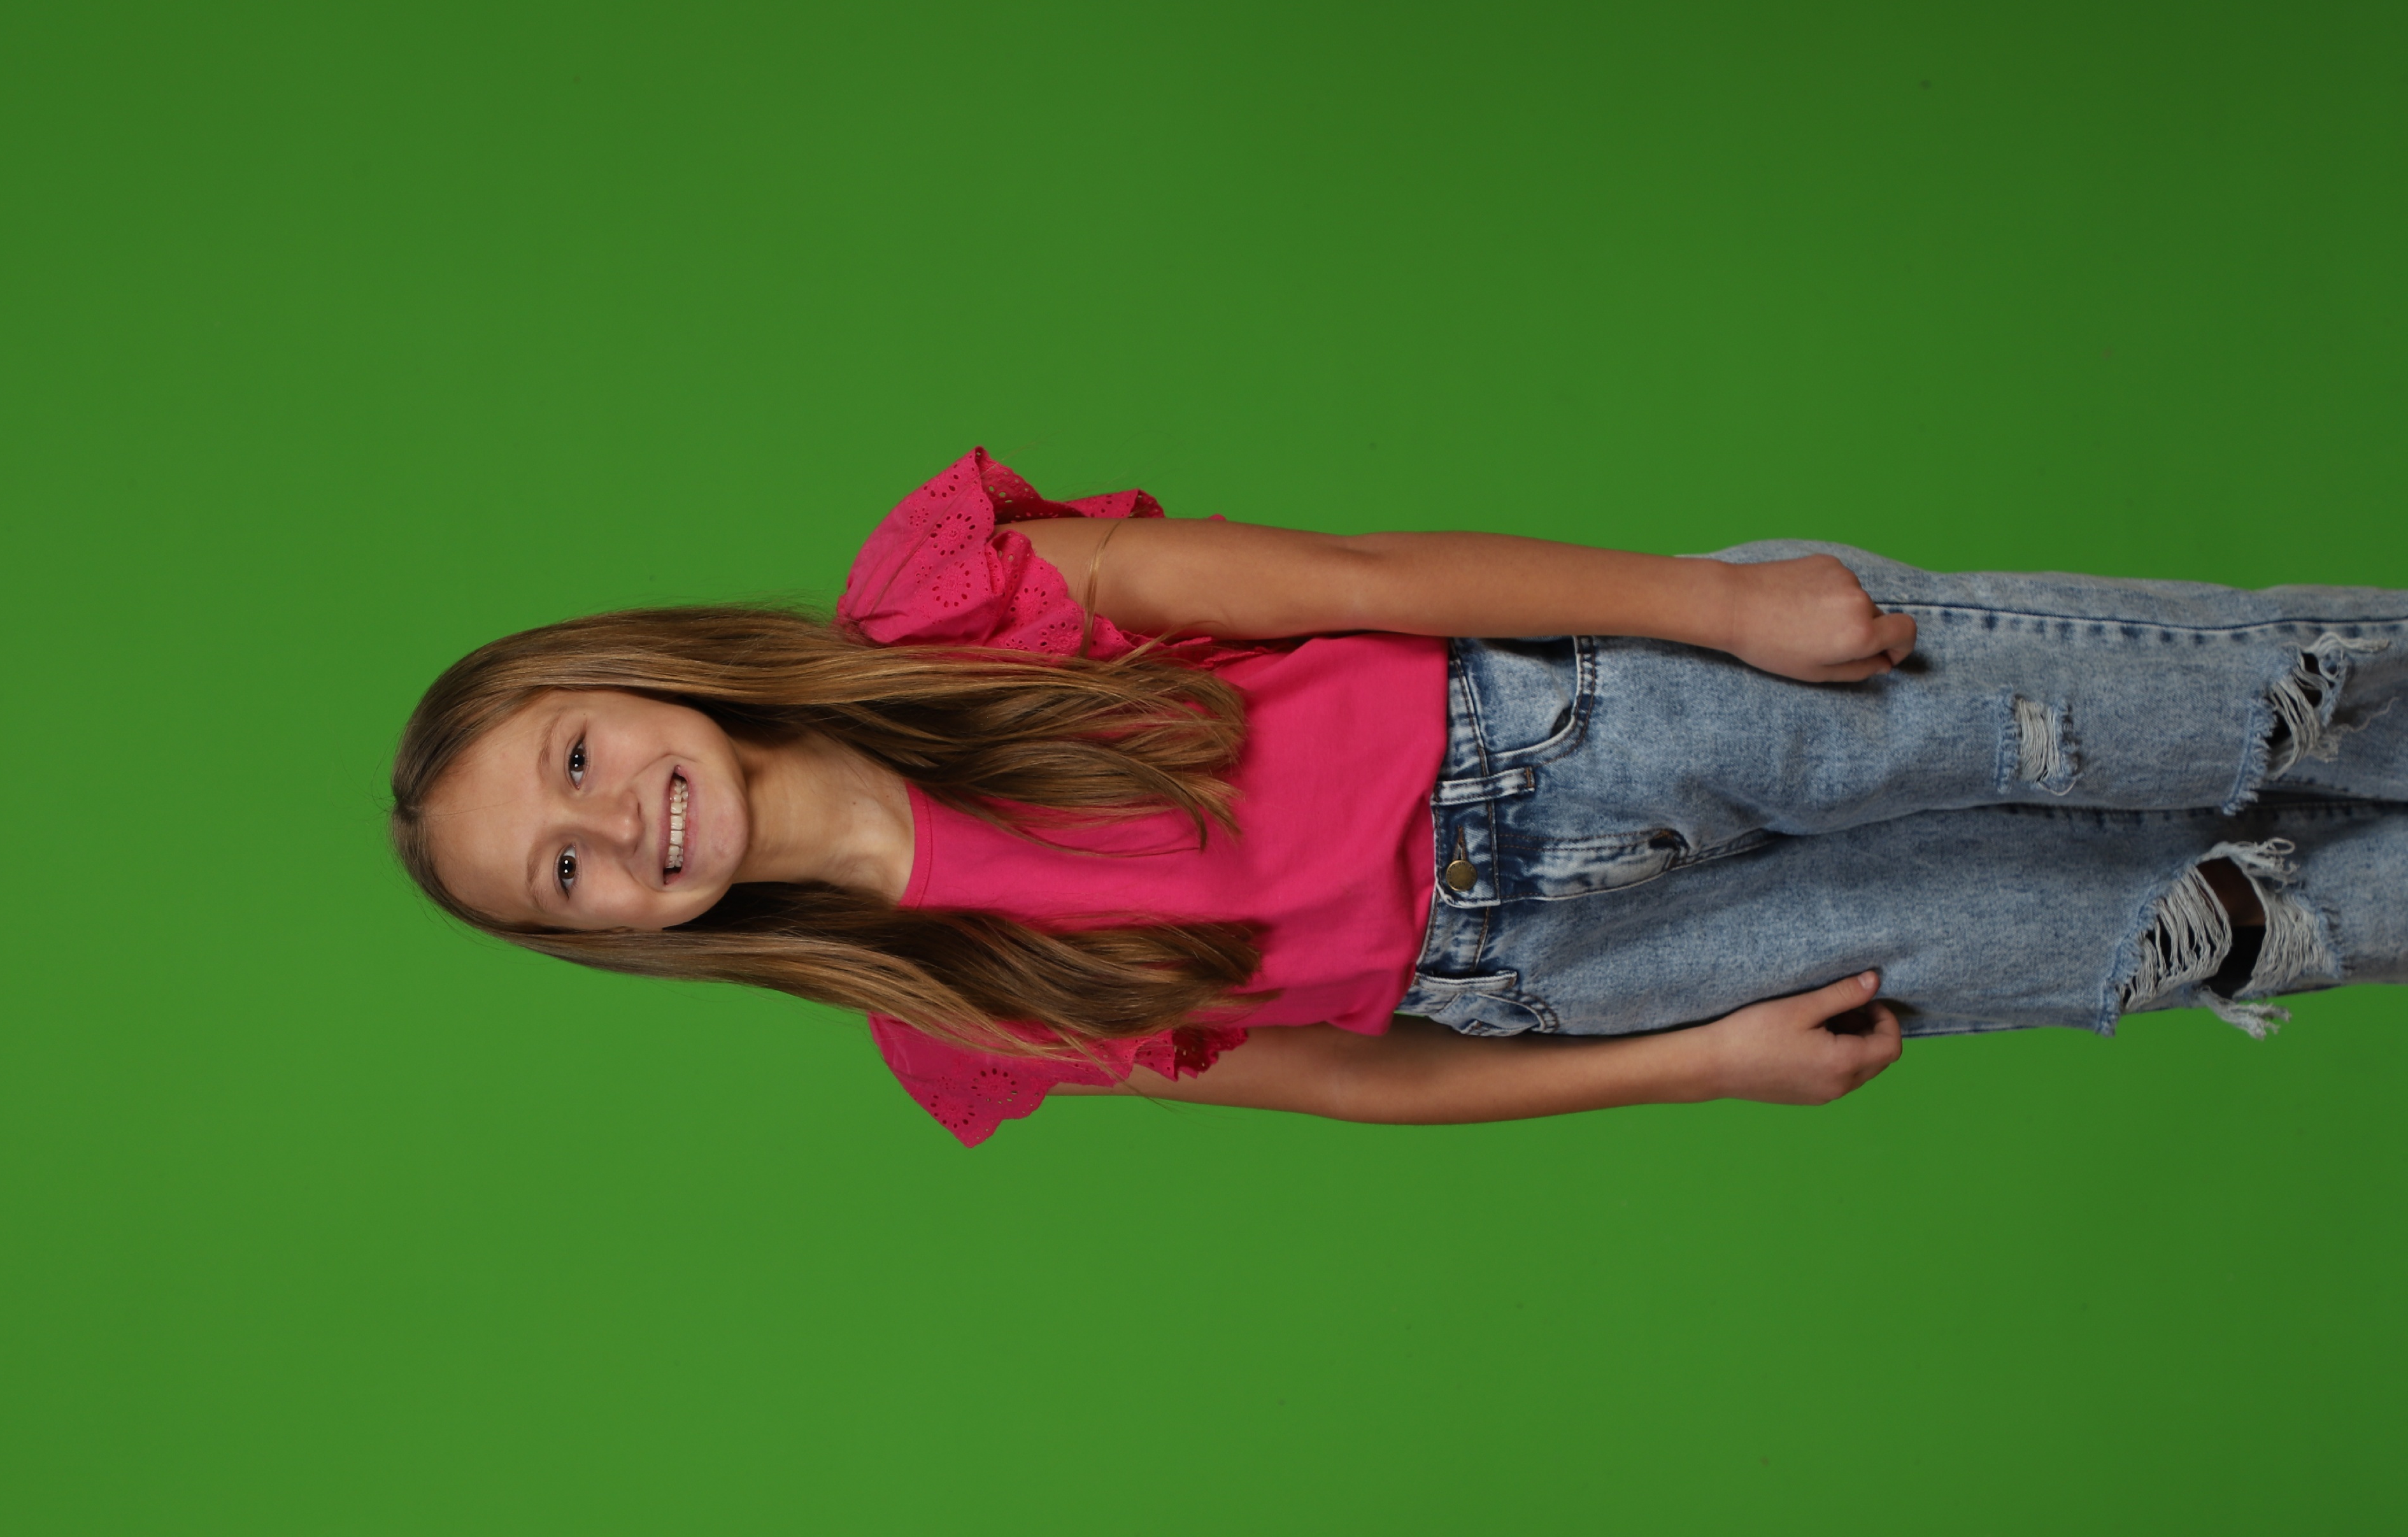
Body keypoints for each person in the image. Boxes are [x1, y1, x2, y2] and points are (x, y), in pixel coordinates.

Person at [390, 450, 2408, 1146]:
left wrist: (1716, 605)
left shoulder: (956, 606)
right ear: (613, 937)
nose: (618, 827)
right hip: (1578, 975)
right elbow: (1363, 1082)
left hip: (1592, 720)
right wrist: (1699, 1064)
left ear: (631, 677)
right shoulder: (961, 1014)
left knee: (2208, 718)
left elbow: (1354, 580)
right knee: (2175, 934)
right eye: (565, 876)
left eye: (575, 761)